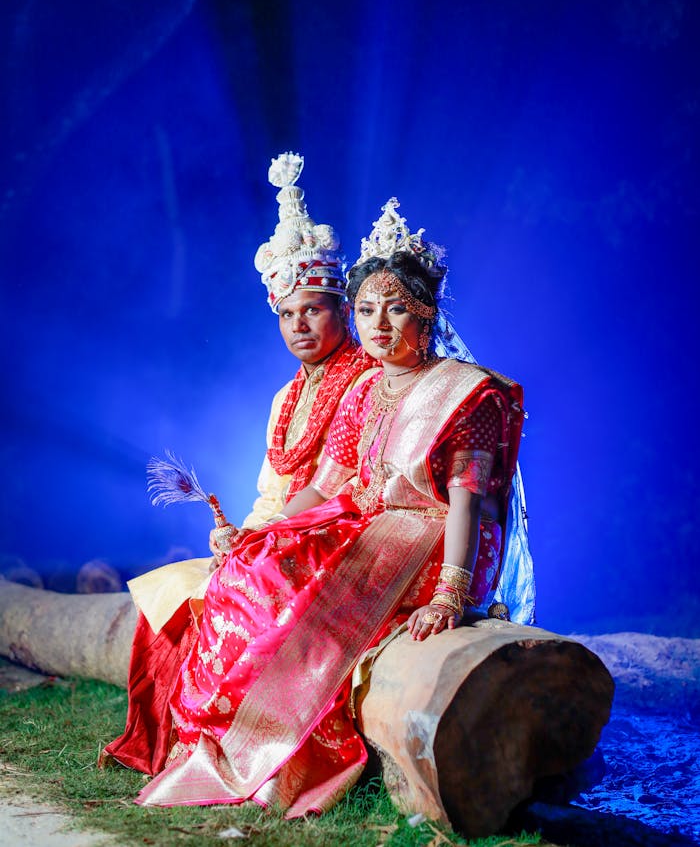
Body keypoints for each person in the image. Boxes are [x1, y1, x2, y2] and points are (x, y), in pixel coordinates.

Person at [133, 198, 535, 816]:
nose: (378, 324)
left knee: (296, 591)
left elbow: (467, 503)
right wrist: (263, 534)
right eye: (369, 309)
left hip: (426, 538)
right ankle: (214, 735)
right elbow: (327, 482)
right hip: (365, 519)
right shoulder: (368, 385)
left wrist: (450, 594)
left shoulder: (466, 393)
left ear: (428, 311)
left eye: (396, 308)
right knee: (255, 567)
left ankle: (279, 747)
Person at [102, 152, 374, 774]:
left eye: (313, 308)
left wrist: (261, 540)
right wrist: (237, 533)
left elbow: (354, 484)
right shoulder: (287, 397)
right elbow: (272, 491)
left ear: (341, 308)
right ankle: (174, 745)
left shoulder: (367, 380)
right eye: (286, 313)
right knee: (174, 593)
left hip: (339, 537)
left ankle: (244, 752)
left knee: (239, 590)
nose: (299, 325)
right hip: (279, 533)